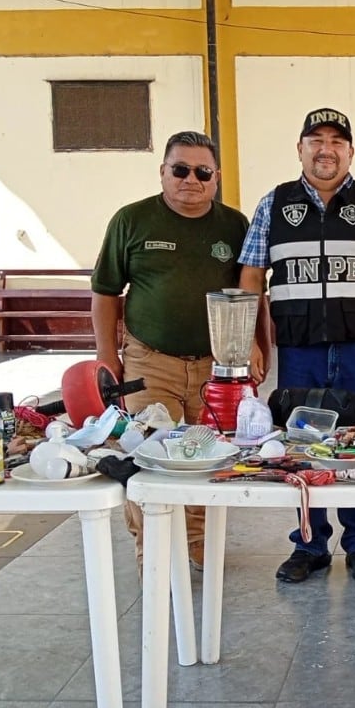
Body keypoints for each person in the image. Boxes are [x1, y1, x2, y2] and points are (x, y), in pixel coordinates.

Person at [240, 108, 355, 584]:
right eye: (315, 139)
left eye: (337, 141)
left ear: (350, 152)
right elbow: (251, 277)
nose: (325, 148)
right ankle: (309, 545)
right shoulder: (273, 204)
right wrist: (253, 342)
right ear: (300, 149)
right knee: (300, 445)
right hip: (299, 349)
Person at [91, 130, 255, 571]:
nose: (191, 180)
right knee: (147, 456)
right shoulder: (131, 220)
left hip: (217, 366)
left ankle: (198, 540)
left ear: (216, 177)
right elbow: (106, 293)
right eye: (179, 169)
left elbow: (251, 290)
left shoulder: (234, 225)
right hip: (150, 361)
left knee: (210, 455)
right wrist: (107, 357)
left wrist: (257, 345)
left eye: (203, 172)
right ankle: (153, 547)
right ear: (162, 172)